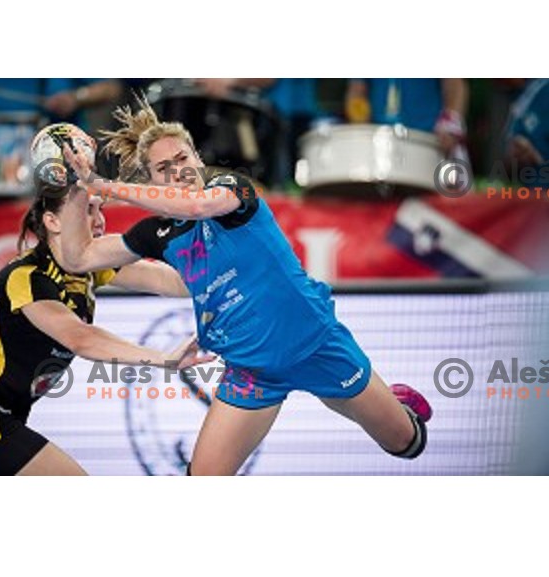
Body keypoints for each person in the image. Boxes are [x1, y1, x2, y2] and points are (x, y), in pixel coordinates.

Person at [60, 101, 433, 476]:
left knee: (406, 444)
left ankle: (389, 403)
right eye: (163, 168)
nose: (178, 171)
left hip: (317, 344)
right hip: (252, 371)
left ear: (197, 157)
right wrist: (77, 188)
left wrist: (103, 185)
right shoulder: (154, 235)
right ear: (151, 181)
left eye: (182, 158)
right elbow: (79, 259)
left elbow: (197, 207)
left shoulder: (231, 190)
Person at [0, 128, 205, 477]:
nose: (100, 221)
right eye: (87, 209)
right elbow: (81, 339)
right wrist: (163, 360)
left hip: (3, 415)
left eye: (100, 209)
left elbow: (173, 283)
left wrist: (219, 252)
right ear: (52, 221)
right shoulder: (26, 277)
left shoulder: (89, 269)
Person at [345, 78, 469, 157]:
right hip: (380, 144)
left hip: (430, 141)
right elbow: (357, 91)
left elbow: (455, 83)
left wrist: (450, 124)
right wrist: (361, 133)